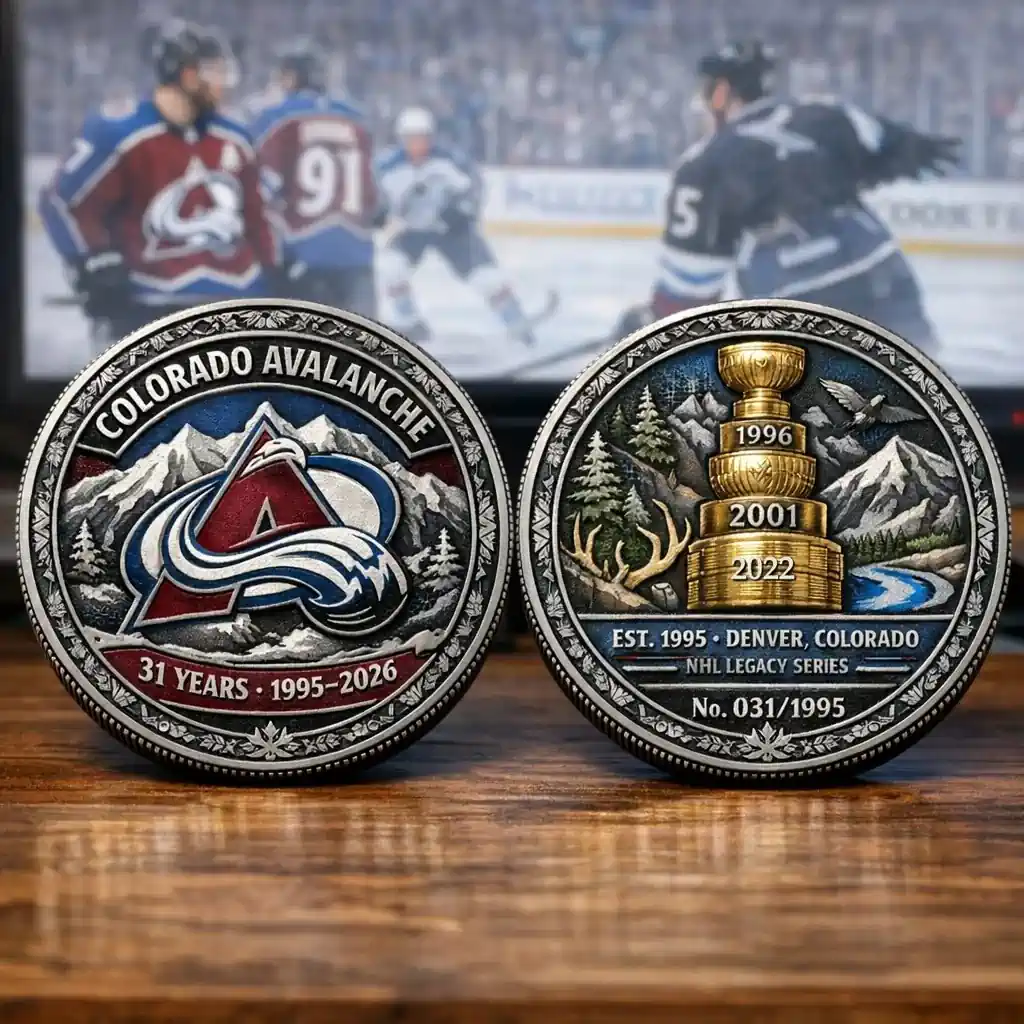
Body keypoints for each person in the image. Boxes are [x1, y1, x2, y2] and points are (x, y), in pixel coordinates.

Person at [619, 41, 960, 352]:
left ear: (721, 93)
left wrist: (652, 323)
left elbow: (688, 291)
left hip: (800, 302)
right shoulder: (830, 114)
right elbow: (906, 152)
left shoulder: (704, 164)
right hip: (885, 274)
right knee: (920, 391)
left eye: (705, 93)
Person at [39, 20, 293, 347]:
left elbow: (258, 217)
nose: (225, 83)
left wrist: (276, 272)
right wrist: (92, 263)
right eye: (215, 72)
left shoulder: (235, 137)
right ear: (187, 76)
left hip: (235, 306)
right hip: (151, 308)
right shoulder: (121, 133)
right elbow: (61, 202)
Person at [374, 107, 546, 346]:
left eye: (422, 137)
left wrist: (462, 211)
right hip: (412, 230)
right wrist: (378, 213)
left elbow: (475, 188)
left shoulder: (449, 160)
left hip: (452, 230)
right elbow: (375, 198)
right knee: (391, 268)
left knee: (487, 279)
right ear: (401, 139)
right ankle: (410, 321)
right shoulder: (386, 167)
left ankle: (516, 321)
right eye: (411, 138)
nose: (417, 144)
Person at [249, 39, 378, 316]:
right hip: (358, 258)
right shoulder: (357, 119)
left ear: (293, 77)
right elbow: (374, 197)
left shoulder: (277, 119)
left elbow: (261, 191)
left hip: (303, 256)